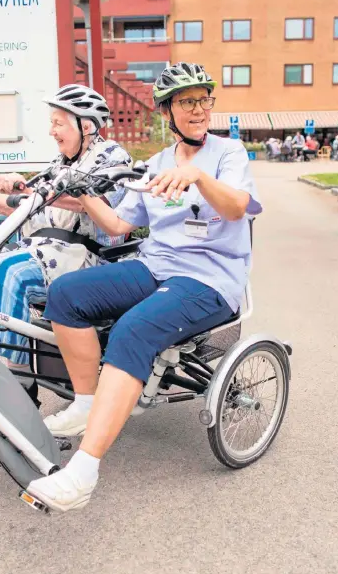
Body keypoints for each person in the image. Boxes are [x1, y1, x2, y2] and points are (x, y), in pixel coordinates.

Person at [25, 62, 262, 512]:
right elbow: (117, 227)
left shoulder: (229, 153)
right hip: (156, 266)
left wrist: (199, 177)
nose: (198, 109)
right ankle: (85, 401)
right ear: (167, 111)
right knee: (66, 294)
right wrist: (84, 191)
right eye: (186, 101)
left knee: (134, 329)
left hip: (209, 278)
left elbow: (236, 208)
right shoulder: (154, 164)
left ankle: (82, 474)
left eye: (204, 99)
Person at [0, 85, 132, 393]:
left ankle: (16, 385)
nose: (52, 131)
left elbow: (86, 200)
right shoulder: (59, 164)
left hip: (87, 259)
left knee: (10, 273)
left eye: (58, 123)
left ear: (86, 125)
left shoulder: (112, 158)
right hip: (44, 252)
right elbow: (22, 206)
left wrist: (30, 190)